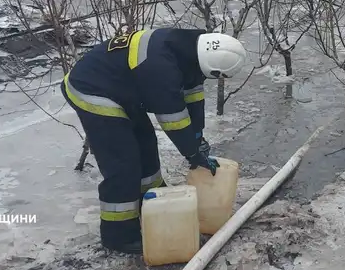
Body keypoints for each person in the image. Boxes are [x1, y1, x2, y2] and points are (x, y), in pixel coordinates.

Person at [60, 27, 248, 254]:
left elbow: (194, 98)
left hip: (123, 89)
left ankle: (152, 201)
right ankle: (118, 235)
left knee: (146, 143)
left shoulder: (190, 51)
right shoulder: (161, 66)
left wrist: (198, 137)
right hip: (92, 88)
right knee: (123, 162)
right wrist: (191, 151)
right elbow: (173, 119)